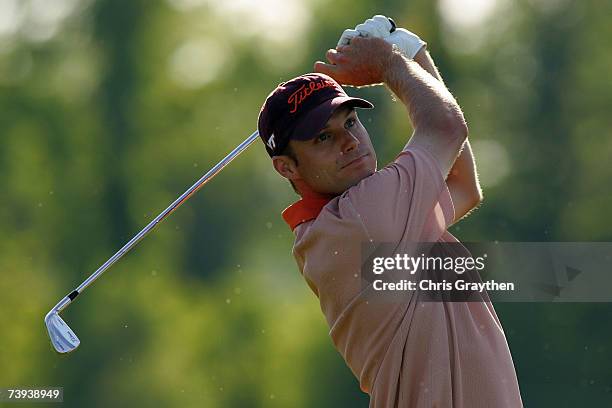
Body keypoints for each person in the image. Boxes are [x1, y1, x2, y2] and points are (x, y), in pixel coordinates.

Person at [257, 15, 523, 408]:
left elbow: (464, 186)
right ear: (287, 167)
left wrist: (412, 55)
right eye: (324, 137)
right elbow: (447, 127)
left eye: (350, 122)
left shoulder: (363, 219)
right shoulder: (362, 216)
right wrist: (393, 64)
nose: (349, 141)